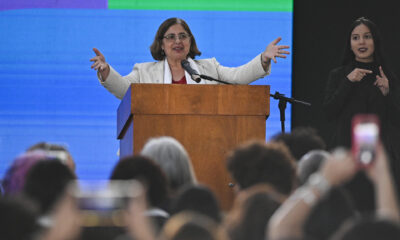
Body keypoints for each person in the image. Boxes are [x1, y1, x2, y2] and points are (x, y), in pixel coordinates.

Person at [90, 17, 290, 99]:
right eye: (171, 37)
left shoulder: (209, 68)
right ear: (161, 44)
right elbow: (125, 90)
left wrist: (263, 58)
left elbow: (237, 77)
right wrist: (106, 71)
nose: (177, 41)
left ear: (190, 41)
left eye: (182, 36)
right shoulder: (144, 71)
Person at [323, 16, 400, 212]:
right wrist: (348, 83)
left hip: (380, 156)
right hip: (346, 154)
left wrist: (387, 93)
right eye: (356, 38)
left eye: (367, 37)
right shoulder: (339, 75)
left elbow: (395, 119)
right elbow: (329, 113)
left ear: (375, 41)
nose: (362, 42)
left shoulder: (387, 76)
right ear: (349, 44)